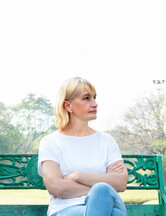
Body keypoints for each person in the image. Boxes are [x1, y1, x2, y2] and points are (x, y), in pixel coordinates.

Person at [38, 77, 128, 216]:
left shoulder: (107, 141)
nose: (95, 104)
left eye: (94, 97)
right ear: (68, 106)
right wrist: (103, 180)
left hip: (110, 202)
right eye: (86, 98)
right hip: (66, 209)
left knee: (102, 190)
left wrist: (76, 176)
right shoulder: (51, 142)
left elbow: (120, 183)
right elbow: (56, 187)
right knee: (114, 213)